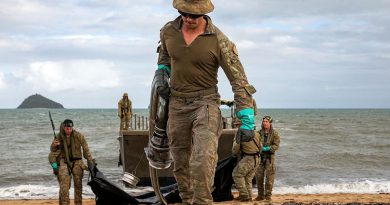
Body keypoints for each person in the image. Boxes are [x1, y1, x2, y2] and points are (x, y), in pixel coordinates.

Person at [154, 0, 256, 204]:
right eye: (184, 13)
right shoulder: (168, 31)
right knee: (180, 164)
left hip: (205, 103)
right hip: (176, 104)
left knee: (202, 162)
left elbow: (239, 81)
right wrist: (162, 75)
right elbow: (164, 58)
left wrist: (246, 119)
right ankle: (187, 200)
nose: (188, 19)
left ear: (204, 14)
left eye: (194, 15)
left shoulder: (219, 40)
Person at [49, 119, 94, 205]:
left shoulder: (79, 135)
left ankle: (78, 203)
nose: (68, 130)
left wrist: (90, 161)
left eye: (70, 128)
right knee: (64, 186)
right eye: (66, 128)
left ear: (72, 127)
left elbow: (86, 150)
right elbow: (52, 151)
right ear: (64, 127)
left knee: (78, 186)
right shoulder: (59, 136)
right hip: (64, 162)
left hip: (77, 162)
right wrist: (54, 145)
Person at [232, 127, 262, 202]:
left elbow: (236, 148)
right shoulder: (256, 132)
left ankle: (244, 195)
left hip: (248, 158)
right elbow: (261, 146)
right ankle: (249, 197)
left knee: (236, 174)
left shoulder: (240, 133)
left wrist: (234, 154)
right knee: (248, 179)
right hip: (257, 158)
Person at [255, 116, 280, 201]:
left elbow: (276, 145)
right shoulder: (258, 133)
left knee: (269, 178)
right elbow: (256, 143)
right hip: (260, 158)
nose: (264, 123)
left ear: (270, 123)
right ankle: (260, 195)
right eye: (264, 121)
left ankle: (268, 196)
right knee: (259, 177)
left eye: (266, 121)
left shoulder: (275, 133)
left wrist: (269, 148)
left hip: (270, 158)